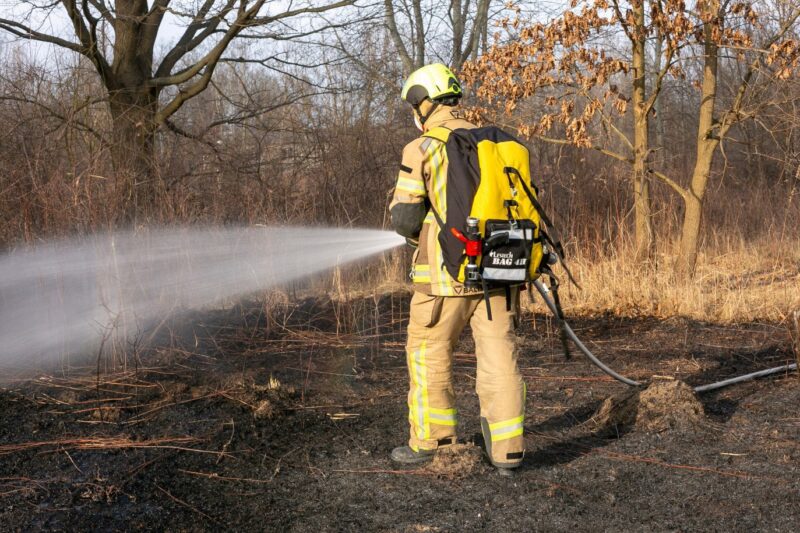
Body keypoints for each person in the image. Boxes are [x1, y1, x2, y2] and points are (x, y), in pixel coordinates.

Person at [388, 64, 526, 475]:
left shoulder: (423, 147)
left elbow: (406, 221)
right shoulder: (497, 142)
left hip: (445, 278)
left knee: (429, 352)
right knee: (500, 354)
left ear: (423, 102)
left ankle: (433, 441)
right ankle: (508, 452)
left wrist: (420, 233)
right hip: (500, 271)